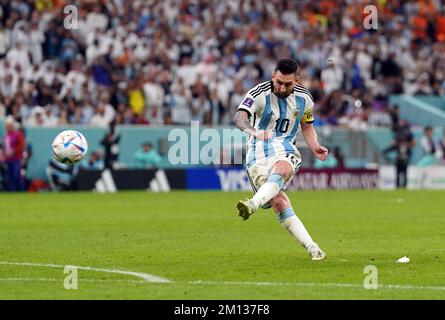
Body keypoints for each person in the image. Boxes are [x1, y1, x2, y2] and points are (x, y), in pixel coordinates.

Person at [233, 59, 328, 261]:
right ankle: (312, 246)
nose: (282, 88)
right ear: (273, 77)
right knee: (278, 201)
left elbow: (307, 125)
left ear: (297, 80)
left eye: (288, 84)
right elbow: (239, 117)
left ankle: (253, 204)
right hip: (257, 151)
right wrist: (253, 131)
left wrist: (314, 145)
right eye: (279, 82)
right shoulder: (258, 93)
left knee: (283, 168)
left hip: (285, 147)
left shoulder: (305, 99)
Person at [383, 119, 415, 188]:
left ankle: (404, 186)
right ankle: (398, 186)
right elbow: (394, 145)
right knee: (398, 173)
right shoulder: (398, 134)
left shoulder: (408, 134)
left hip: (405, 156)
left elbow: (413, 143)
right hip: (399, 157)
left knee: (404, 173)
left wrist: (406, 144)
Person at [1, 117, 25, 191]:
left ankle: (21, 191)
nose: (8, 127)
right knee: (9, 177)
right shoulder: (5, 137)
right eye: (7, 126)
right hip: (8, 159)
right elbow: (4, 148)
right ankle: (12, 191)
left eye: (9, 126)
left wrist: (14, 151)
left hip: (16, 159)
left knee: (16, 175)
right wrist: (3, 155)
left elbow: (21, 145)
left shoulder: (18, 134)